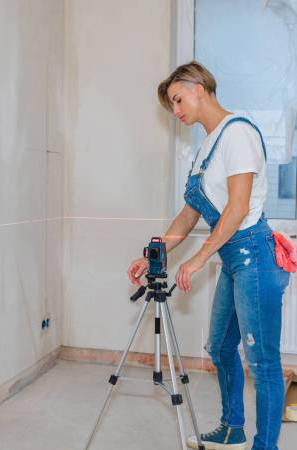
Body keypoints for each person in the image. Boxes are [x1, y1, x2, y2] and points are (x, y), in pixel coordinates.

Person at [127, 61, 291, 450]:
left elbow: (237, 208)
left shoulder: (238, 134)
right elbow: (188, 214)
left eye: (178, 99)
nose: (176, 110)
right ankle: (232, 427)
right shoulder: (207, 147)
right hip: (234, 260)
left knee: (263, 361)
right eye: (171, 105)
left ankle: (264, 446)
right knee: (219, 346)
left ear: (199, 87)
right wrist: (152, 254)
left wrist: (198, 259)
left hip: (253, 254)